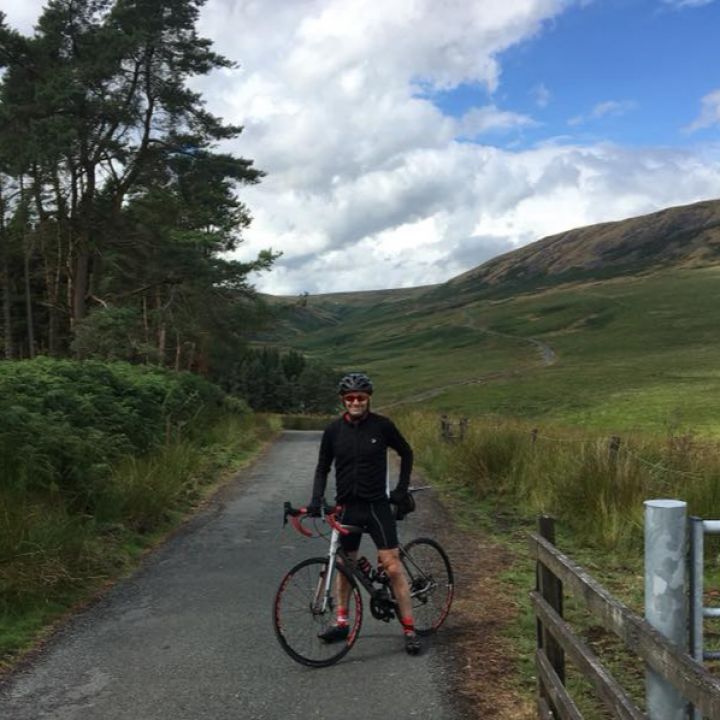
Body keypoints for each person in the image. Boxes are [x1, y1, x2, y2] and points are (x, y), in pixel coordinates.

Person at [307, 371, 421, 655]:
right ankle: (342, 622)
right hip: (347, 507)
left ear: (368, 399)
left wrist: (401, 489)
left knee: (392, 566)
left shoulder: (382, 426)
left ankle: (409, 628)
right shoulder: (333, 431)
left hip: (376, 506)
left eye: (361, 397)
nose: (355, 402)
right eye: (350, 398)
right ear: (343, 401)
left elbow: (406, 453)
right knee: (345, 567)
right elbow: (323, 468)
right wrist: (316, 498)